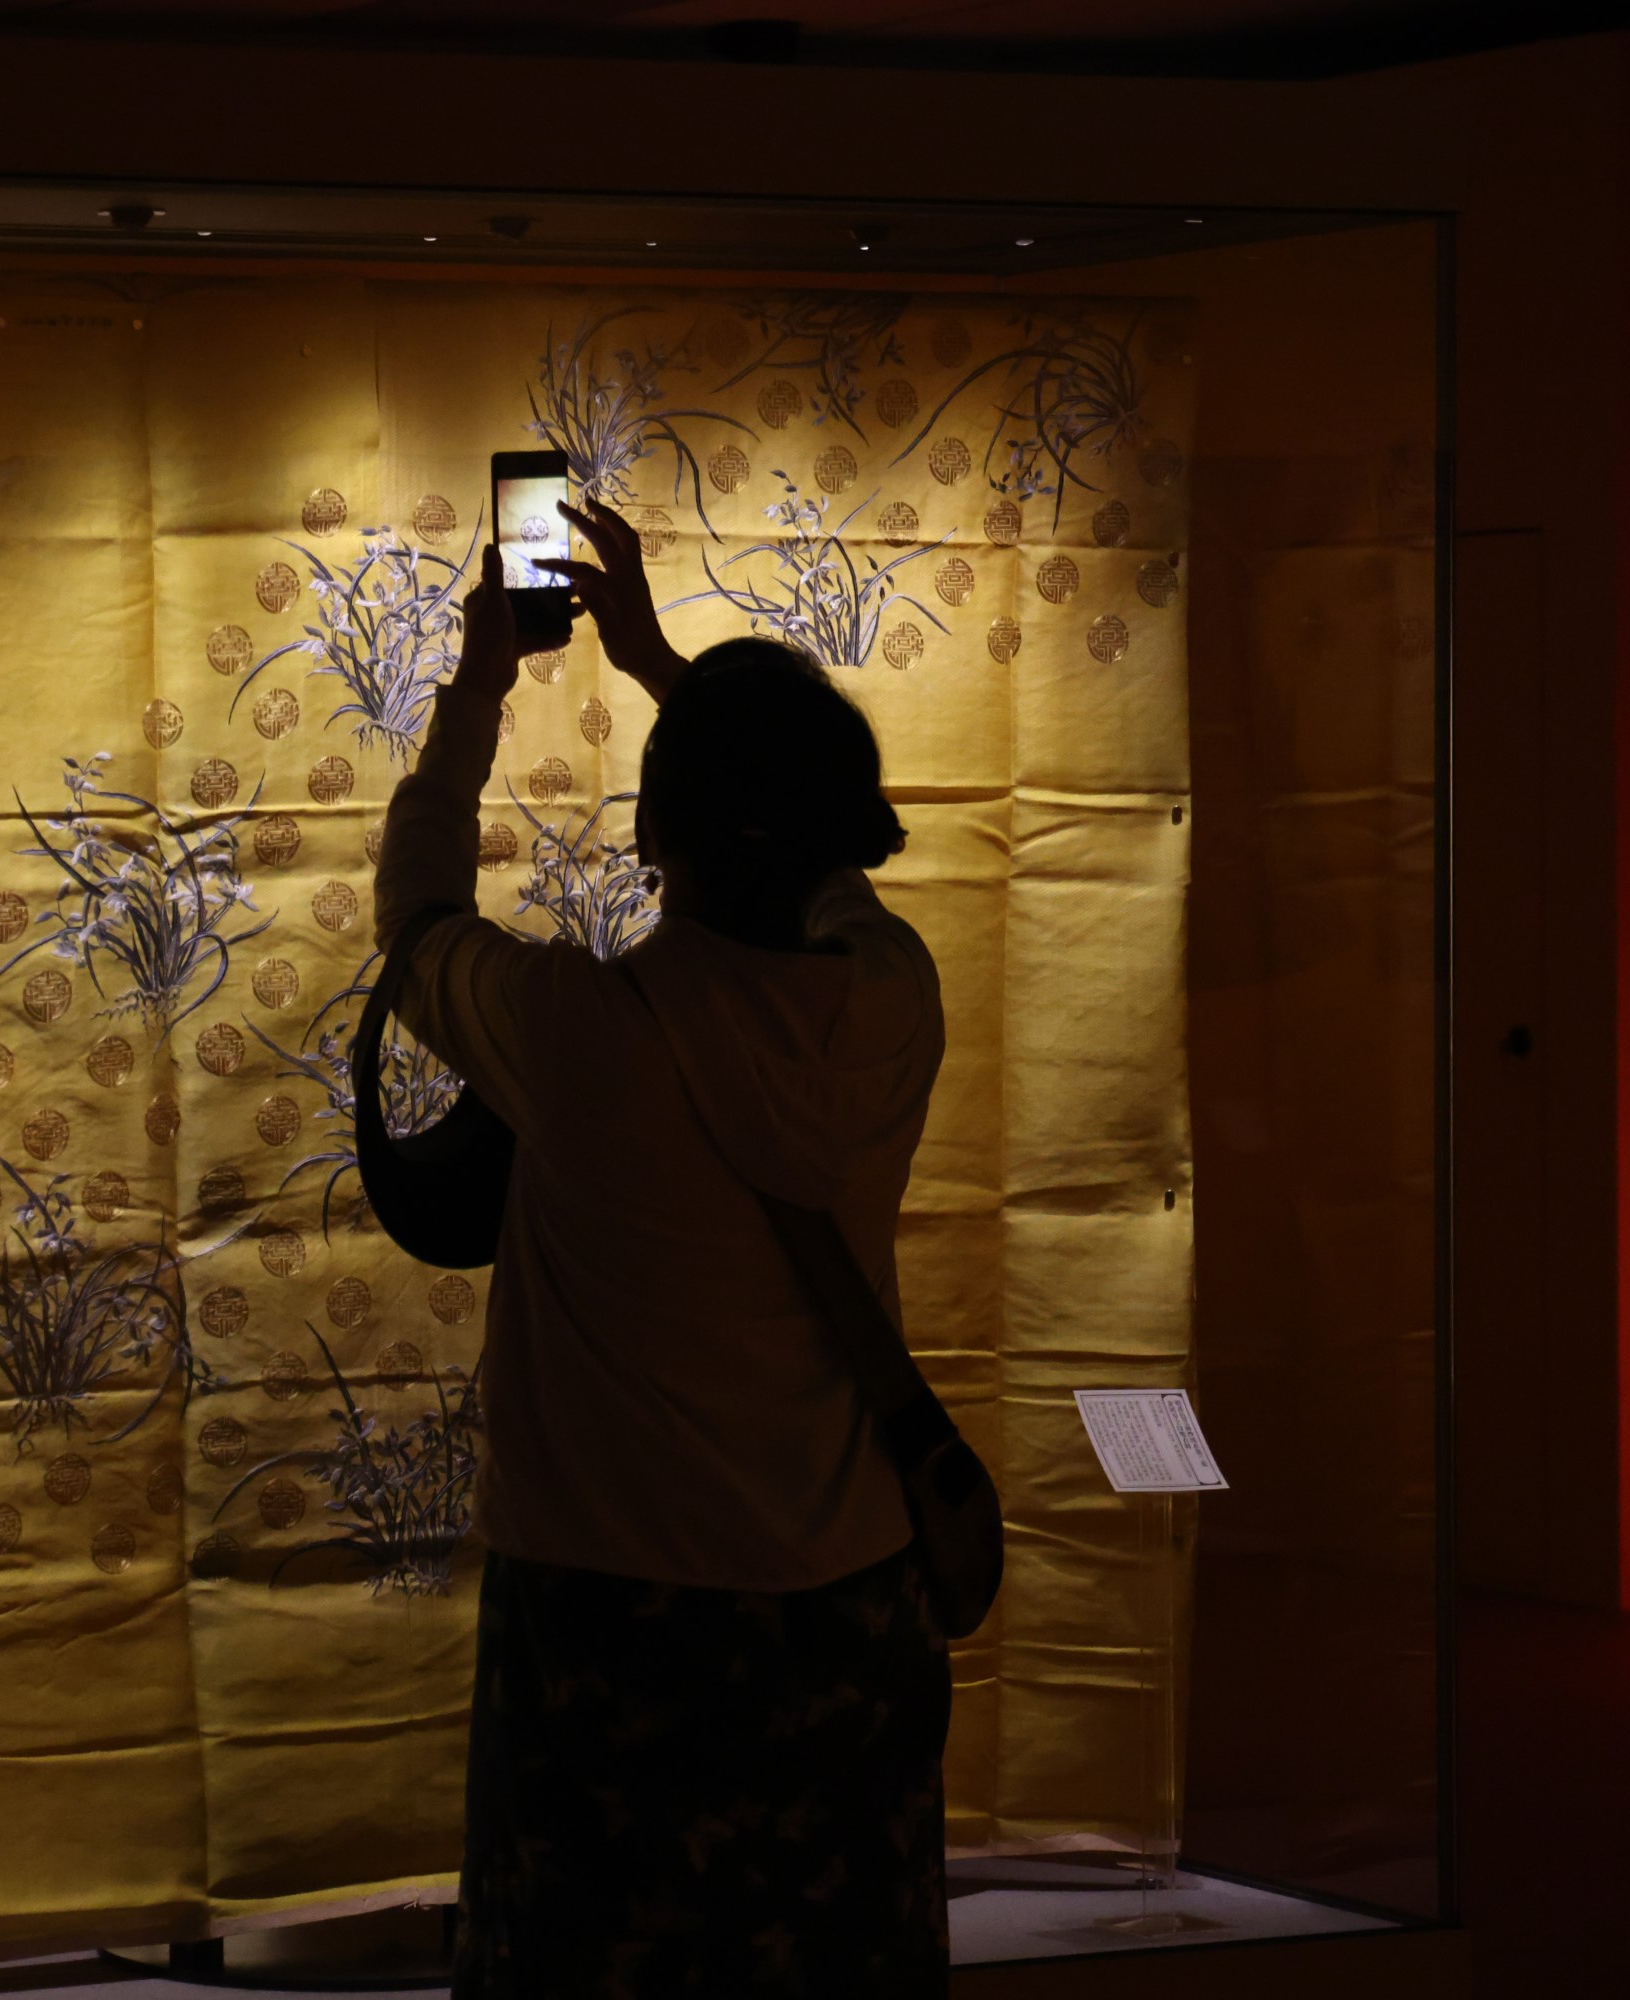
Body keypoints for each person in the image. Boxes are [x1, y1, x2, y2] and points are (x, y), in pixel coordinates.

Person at [376, 502, 952, 1996]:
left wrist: (481, 687)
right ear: (847, 828)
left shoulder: (586, 1034)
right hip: (845, 1598)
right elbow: (808, 846)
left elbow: (419, 912)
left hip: (607, 1616)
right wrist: (654, 660)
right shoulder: (891, 1000)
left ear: (656, 829)